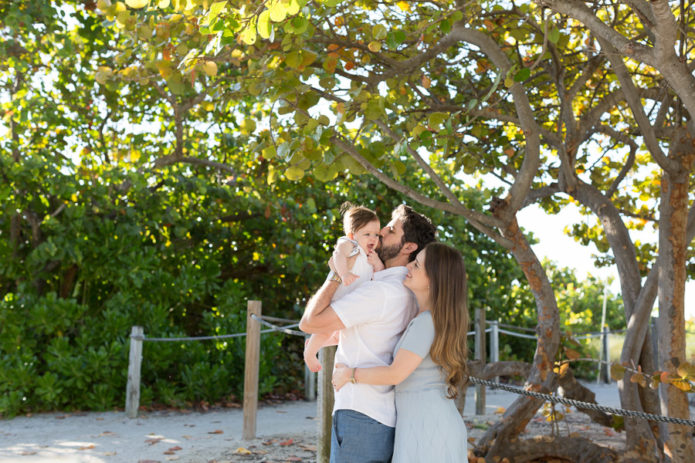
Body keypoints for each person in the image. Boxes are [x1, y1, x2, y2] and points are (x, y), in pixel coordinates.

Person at [299, 204, 437, 463]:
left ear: (408, 247)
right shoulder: (404, 291)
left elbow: (309, 322)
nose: (381, 232)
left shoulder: (381, 293)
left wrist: (336, 274)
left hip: (360, 414)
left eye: (391, 229)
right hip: (379, 415)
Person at [331, 242, 469, 462]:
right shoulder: (430, 318)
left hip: (427, 427)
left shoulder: (426, 322)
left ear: (433, 281)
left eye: (417, 265)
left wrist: (349, 374)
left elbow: (395, 374)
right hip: (427, 422)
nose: (408, 268)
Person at [303, 202, 384, 373]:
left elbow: (379, 276)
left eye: (376, 234)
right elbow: (338, 256)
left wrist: (378, 264)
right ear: (352, 235)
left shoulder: (370, 254)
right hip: (337, 296)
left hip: (351, 301)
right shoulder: (350, 245)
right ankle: (310, 353)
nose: (373, 239)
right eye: (367, 234)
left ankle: (315, 343)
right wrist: (344, 273)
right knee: (326, 330)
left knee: (341, 334)